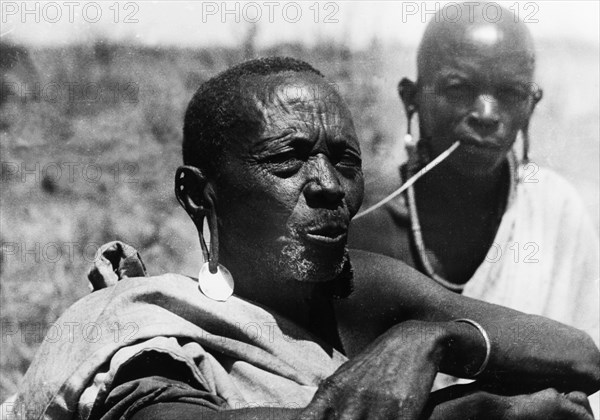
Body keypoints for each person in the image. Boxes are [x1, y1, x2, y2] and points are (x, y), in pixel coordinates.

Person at [4, 57, 599, 420]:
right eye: (286, 160)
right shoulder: (144, 328)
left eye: (344, 161)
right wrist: (480, 412)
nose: (326, 186)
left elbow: (581, 358)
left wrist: (439, 337)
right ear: (197, 193)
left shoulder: (358, 288)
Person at [349, 3, 599, 346]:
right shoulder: (364, 222)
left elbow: (587, 356)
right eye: (458, 88)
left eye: (511, 93)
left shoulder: (557, 216)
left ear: (531, 105)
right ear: (412, 98)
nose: (486, 114)